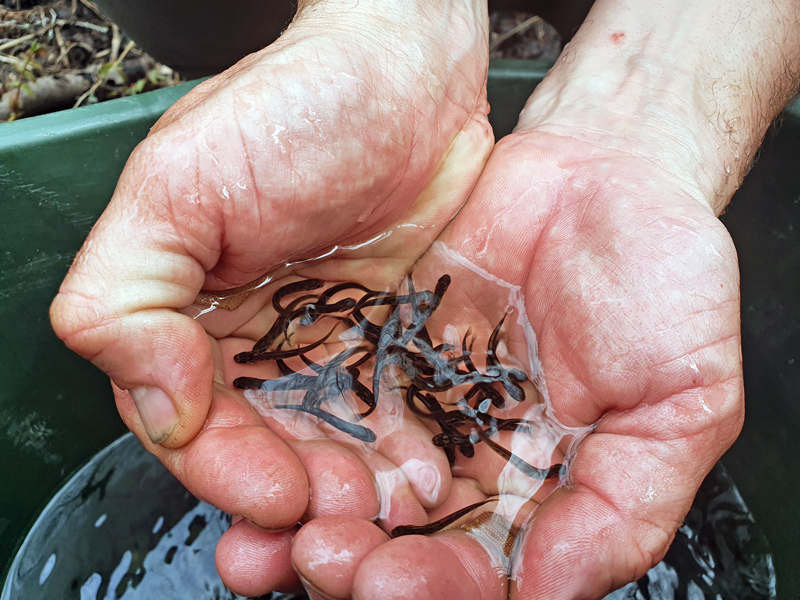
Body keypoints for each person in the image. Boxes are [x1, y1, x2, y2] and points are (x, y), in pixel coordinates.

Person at [49, 0, 800, 598]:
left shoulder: (423, 358)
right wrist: (394, 22)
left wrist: (648, 124)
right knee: (234, 35)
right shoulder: (386, 343)